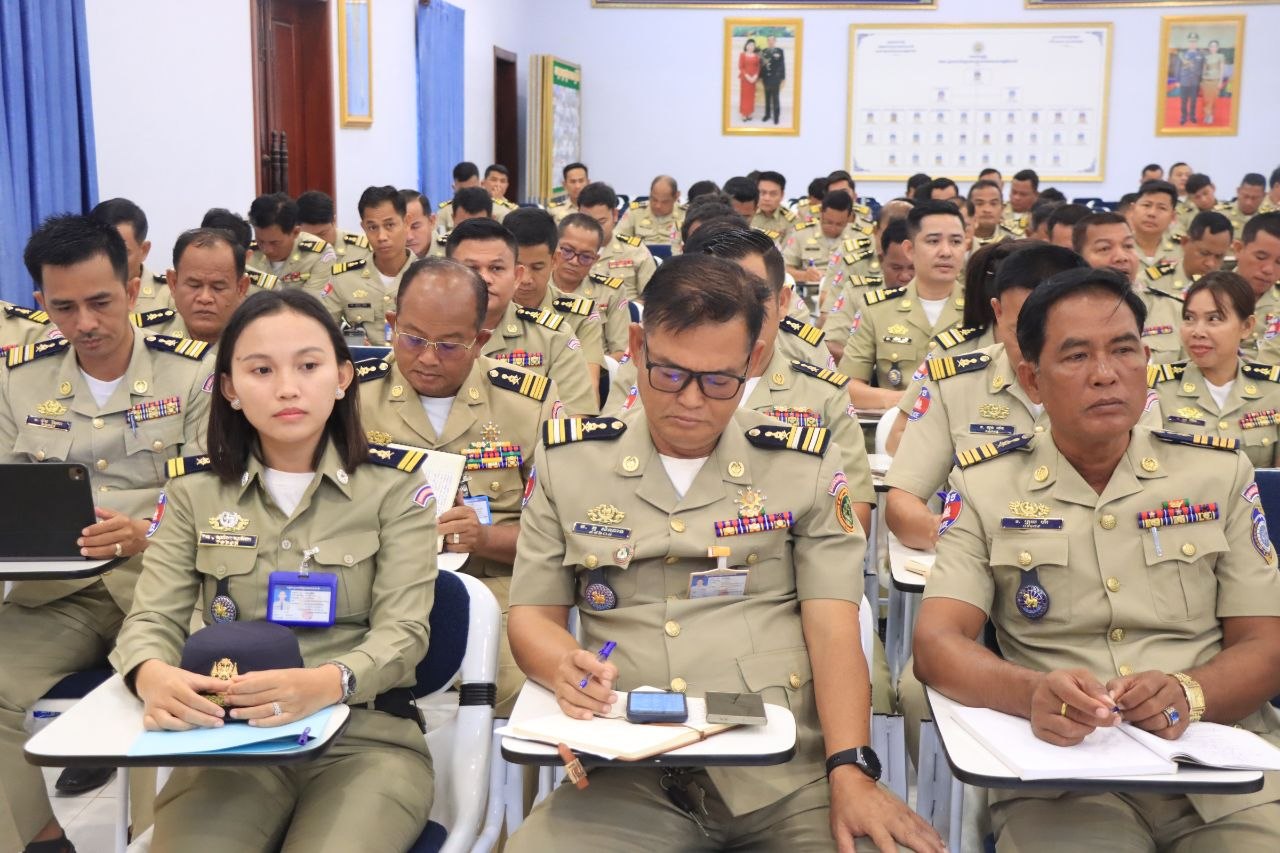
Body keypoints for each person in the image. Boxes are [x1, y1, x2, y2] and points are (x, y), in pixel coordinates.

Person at [506, 253, 944, 853]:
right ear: (636, 347)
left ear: (753, 361)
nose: (691, 400)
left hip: (786, 774)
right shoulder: (569, 463)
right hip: (627, 773)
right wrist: (562, 663)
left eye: (718, 381)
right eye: (669, 373)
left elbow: (835, 626)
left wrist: (850, 769)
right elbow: (532, 614)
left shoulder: (803, 464)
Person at [914, 266, 1280, 852]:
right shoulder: (984, 484)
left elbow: (1265, 642)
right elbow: (936, 644)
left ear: (1146, 362)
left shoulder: (1217, 473)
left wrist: (1190, 692)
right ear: (1032, 379)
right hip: (1063, 779)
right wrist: (1031, 693)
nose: (1106, 374)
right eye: (1077, 356)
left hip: (1219, 773)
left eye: (1124, 350)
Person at [112, 288, 437, 851]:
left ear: (343, 377)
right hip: (228, 741)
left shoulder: (396, 486)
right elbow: (151, 619)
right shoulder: (193, 490)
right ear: (230, 389)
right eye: (261, 370)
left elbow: (405, 632)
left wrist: (328, 682)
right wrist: (150, 673)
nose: (287, 387)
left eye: (308, 366)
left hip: (364, 738)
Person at [0, 215, 213, 853]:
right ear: (41, 302)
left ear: (133, 288)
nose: (85, 323)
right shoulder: (17, 380)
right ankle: (40, 838)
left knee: (173, 696)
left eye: (100, 302)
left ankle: (157, 841)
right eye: (64, 308)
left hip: (166, 587)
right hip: (58, 594)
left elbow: (218, 499)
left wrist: (148, 532)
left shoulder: (193, 375)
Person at [358, 258, 557, 715]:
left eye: (449, 346)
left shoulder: (527, 404)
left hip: (493, 587)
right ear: (391, 324)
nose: (428, 358)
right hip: (372, 587)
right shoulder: (351, 397)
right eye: (413, 339)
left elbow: (557, 537)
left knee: (516, 694)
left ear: (480, 341)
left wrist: (484, 538)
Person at [449, 218, 598, 416]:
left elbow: (574, 419)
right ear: (446, 274)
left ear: (516, 276)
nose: (485, 278)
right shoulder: (420, 335)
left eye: (496, 268)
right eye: (472, 269)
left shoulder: (555, 338)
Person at [838, 201, 968, 410]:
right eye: (933, 241)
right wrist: (904, 401)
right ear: (909, 249)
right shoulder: (877, 309)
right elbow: (848, 385)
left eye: (955, 242)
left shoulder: (983, 309)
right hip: (895, 424)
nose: (946, 252)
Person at [1151, 271, 1280, 467]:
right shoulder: (1157, 388)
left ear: (1247, 326)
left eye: (1214, 319)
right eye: (1189, 318)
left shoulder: (1274, 390)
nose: (1197, 332)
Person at [507, 208, 605, 392]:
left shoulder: (581, 316)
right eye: (517, 267)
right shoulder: (485, 311)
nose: (526, 279)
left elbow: (588, 389)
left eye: (537, 267)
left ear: (555, 260)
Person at [326, 185, 414, 343]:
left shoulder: (429, 276)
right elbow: (323, 331)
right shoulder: (343, 279)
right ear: (363, 228)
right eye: (372, 227)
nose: (381, 237)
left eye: (389, 225)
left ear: (406, 222)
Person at [824, 218, 913, 361]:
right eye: (896, 268)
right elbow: (830, 344)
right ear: (881, 260)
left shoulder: (942, 296)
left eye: (913, 268)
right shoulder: (857, 292)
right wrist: (869, 366)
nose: (905, 276)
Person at [554, 213, 630, 360]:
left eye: (585, 257)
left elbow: (622, 351)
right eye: (567, 251)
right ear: (555, 248)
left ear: (596, 259)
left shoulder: (611, 292)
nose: (574, 261)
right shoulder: (534, 287)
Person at [168, 227, 251, 344]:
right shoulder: (145, 338)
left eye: (218, 288)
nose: (205, 298)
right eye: (194, 285)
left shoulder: (261, 342)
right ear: (173, 283)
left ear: (241, 288)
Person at [247, 192, 336, 300]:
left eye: (275, 243)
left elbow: (310, 304)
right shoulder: (246, 253)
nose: (267, 250)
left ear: (295, 232)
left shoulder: (319, 254)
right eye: (260, 241)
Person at [581, 182, 658, 302]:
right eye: (587, 222)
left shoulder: (635, 250)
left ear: (615, 215)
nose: (594, 229)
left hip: (626, 311)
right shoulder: (566, 252)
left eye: (601, 222)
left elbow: (652, 298)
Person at [784, 191, 859, 286]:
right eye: (829, 222)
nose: (833, 228)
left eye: (839, 224)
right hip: (810, 291)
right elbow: (785, 269)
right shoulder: (802, 234)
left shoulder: (859, 237)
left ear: (849, 218)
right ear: (821, 213)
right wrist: (804, 275)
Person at [1235, 213, 1280, 356]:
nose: (1268, 269)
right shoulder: (1207, 295)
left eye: (1279, 262)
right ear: (1238, 249)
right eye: (1261, 257)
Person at [297, 189, 372, 262]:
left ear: (334, 221)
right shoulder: (293, 251)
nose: (317, 241)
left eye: (322, 234)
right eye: (309, 236)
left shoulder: (365, 249)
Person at [615, 175, 685, 249]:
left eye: (664, 202)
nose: (658, 206)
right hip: (640, 254)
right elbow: (618, 236)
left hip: (676, 254)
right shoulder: (635, 211)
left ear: (676, 196)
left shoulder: (686, 213)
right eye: (654, 199)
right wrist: (638, 244)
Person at [1126, 180, 1183, 268]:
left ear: (1172, 216)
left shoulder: (1183, 250)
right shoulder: (1119, 247)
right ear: (1133, 209)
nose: (1152, 213)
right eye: (1146, 205)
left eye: (1162, 208)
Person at [430, 187, 494, 258]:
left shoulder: (500, 248)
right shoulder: (437, 250)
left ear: (491, 219)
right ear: (453, 218)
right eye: (464, 225)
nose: (471, 232)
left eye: (478, 226)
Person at [434, 161, 481, 234]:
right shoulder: (444, 213)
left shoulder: (494, 210)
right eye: (463, 191)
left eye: (472, 189)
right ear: (454, 188)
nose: (468, 195)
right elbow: (440, 239)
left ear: (480, 185)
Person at [969, 180, 1014, 248]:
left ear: (1002, 209)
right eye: (979, 204)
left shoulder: (1014, 238)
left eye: (993, 204)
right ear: (968, 207)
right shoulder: (961, 236)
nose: (987, 210)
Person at [751, 170, 795, 235]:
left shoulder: (792, 221)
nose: (767, 198)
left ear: (782, 195)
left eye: (773, 194)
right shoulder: (747, 214)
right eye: (763, 192)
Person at [400, 188, 436, 260]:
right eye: (402, 229)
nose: (409, 237)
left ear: (431, 221)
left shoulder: (452, 251)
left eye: (415, 227)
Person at [1177, 32, 1206, 125]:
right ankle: (1183, 117)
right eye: (1191, 41)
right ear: (1188, 42)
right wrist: (1178, 80)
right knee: (1183, 101)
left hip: (1195, 83)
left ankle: (1192, 116)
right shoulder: (1182, 54)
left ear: (1197, 42)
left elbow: (1202, 69)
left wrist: (1201, 81)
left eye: (1194, 41)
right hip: (1184, 82)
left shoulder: (1201, 55)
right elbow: (1178, 68)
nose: (1192, 43)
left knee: (1193, 101)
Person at [759, 33, 786, 125]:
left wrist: (782, 77)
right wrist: (761, 77)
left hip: (775, 79)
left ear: (775, 41)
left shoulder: (780, 51)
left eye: (772, 40)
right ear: (767, 41)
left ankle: (776, 117)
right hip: (766, 78)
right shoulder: (764, 51)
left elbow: (782, 64)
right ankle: (767, 115)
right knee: (767, 98)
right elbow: (761, 65)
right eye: (769, 40)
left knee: (775, 99)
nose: (770, 41)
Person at [1199, 39, 1226, 125]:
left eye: (1215, 46)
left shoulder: (1220, 56)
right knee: (1206, 99)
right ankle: (1206, 115)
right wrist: (1201, 81)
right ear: (1209, 47)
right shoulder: (1206, 57)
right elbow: (1204, 69)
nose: (1213, 47)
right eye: (1211, 46)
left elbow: (1222, 69)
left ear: (1217, 47)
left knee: (1213, 99)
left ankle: (1210, 115)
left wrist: (1220, 81)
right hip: (1206, 81)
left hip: (1215, 80)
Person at [738, 37, 760, 121]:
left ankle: (749, 113)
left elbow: (758, 67)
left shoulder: (756, 56)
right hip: (745, 79)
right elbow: (741, 67)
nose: (751, 47)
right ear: (746, 46)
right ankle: (744, 114)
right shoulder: (742, 55)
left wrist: (755, 76)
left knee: (751, 97)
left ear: (754, 47)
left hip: (753, 80)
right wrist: (747, 76)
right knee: (744, 97)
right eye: (749, 45)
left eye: (753, 45)